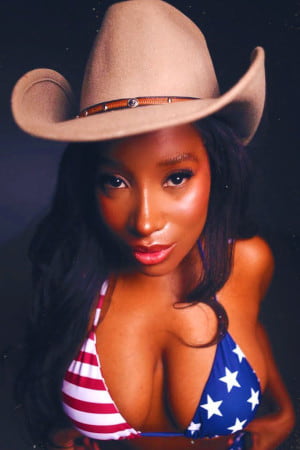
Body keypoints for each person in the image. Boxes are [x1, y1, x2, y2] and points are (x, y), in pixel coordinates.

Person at [11, 1, 295, 449]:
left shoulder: (249, 259)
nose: (144, 222)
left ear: (216, 170)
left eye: (176, 177)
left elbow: (251, 325)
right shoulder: (73, 272)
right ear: (89, 182)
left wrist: (283, 409)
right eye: (115, 181)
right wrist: (60, 427)